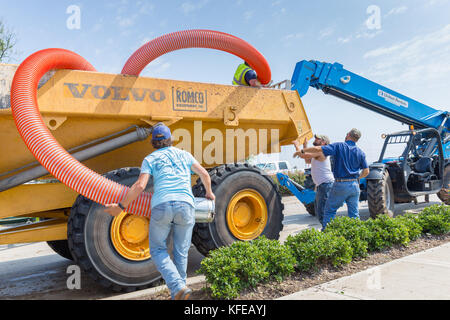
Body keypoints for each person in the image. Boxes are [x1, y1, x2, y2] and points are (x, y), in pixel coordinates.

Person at [104, 123, 215, 300]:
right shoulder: (184, 155)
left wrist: (120, 207)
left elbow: (140, 185)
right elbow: (204, 174)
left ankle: (177, 287)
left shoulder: (150, 159)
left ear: (153, 142)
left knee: (157, 250)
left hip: (162, 206)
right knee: (181, 251)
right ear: (171, 139)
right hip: (186, 206)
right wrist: (209, 193)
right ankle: (179, 291)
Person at [295, 128, 369, 229]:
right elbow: (366, 171)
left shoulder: (339, 146)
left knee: (329, 211)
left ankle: (328, 234)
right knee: (354, 215)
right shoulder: (360, 152)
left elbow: (318, 149)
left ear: (347, 135)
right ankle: (356, 237)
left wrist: (302, 150)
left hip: (340, 184)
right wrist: (356, 178)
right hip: (354, 186)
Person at [293, 134, 334, 225]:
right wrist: (304, 145)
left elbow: (303, 156)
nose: (315, 139)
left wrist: (296, 145)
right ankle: (328, 230)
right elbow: (307, 160)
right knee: (320, 212)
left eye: (317, 138)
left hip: (325, 184)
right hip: (322, 185)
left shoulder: (321, 151)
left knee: (322, 212)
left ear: (323, 142)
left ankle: (328, 231)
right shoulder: (318, 153)